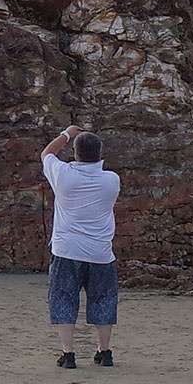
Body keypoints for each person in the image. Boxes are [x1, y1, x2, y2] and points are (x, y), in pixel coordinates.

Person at [40, 125, 120, 368]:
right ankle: (104, 352)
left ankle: (69, 354)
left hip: (66, 250)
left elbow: (46, 154)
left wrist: (66, 133)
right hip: (100, 252)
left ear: (75, 152)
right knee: (103, 299)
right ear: (100, 153)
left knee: (63, 299)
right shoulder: (111, 180)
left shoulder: (64, 175)